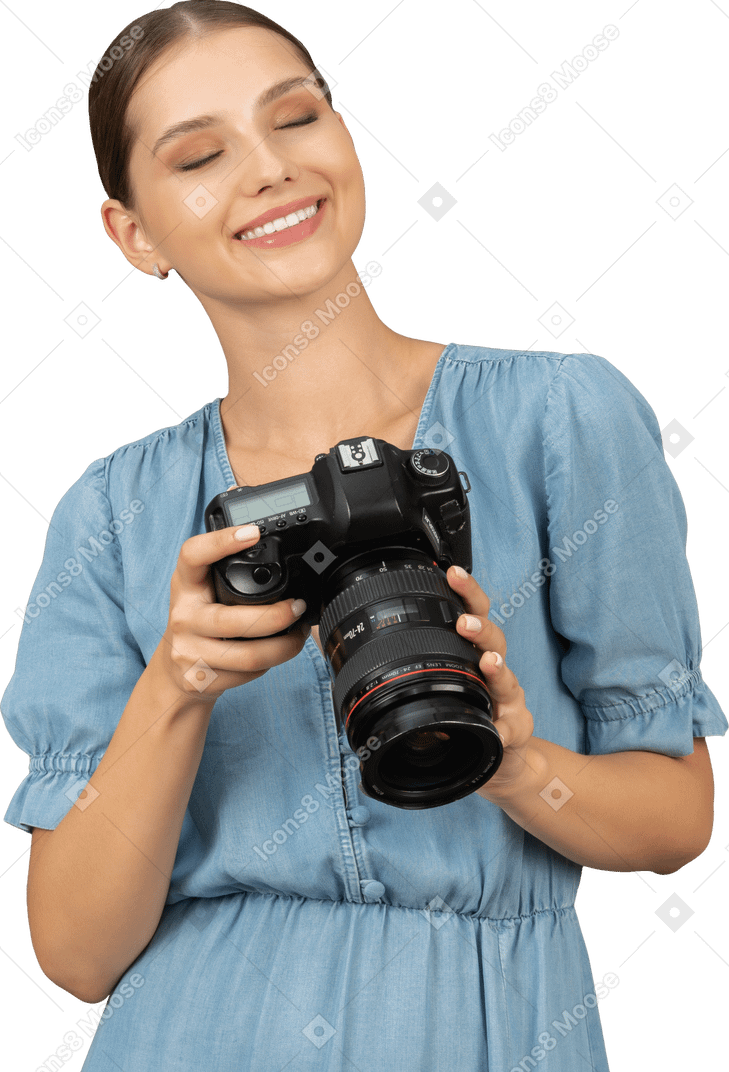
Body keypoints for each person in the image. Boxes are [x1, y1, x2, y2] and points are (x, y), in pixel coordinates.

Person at [2, 4, 725, 1070]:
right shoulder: (110, 513)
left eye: (296, 119)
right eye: (200, 154)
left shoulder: (562, 415)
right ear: (135, 234)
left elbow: (677, 821)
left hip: (493, 1027)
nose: (268, 171)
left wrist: (519, 763)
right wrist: (177, 687)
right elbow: (75, 955)